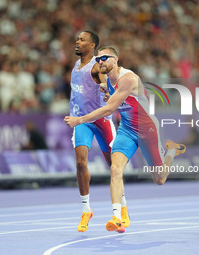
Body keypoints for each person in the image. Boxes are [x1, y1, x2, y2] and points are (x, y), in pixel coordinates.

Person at [64, 46, 186, 233]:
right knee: (115, 168)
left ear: (116, 59)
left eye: (104, 58)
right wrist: (107, 92)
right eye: (98, 59)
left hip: (148, 130)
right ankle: (116, 217)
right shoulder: (107, 82)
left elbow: (108, 109)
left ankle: (170, 151)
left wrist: (79, 119)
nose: (100, 61)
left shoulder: (128, 78)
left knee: (160, 179)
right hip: (127, 130)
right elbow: (112, 98)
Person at [69, 32, 129, 233]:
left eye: (82, 40)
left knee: (114, 166)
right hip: (81, 121)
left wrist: (105, 85)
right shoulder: (75, 67)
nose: (77, 42)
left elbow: (102, 78)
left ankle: (122, 208)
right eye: (77, 39)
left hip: (102, 121)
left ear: (92, 45)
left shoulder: (96, 65)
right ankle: (86, 210)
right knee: (80, 163)